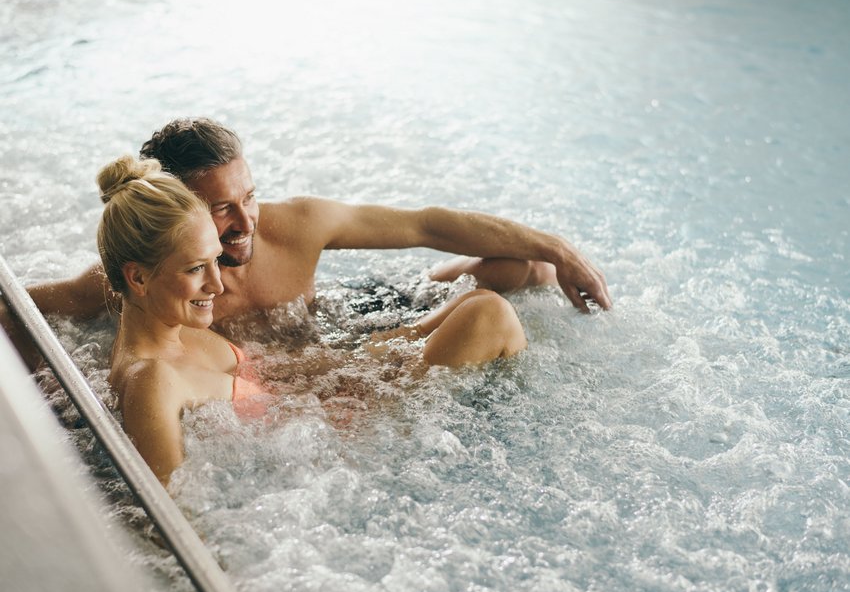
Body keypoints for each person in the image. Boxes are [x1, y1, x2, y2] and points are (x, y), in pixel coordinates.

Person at [1, 117, 610, 368]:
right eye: (220, 210)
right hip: (307, 372)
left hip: (346, 319)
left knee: (528, 267)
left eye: (250, 197)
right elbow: (18, 305)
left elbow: (427, 225)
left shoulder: (294, 225)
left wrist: (560, 249)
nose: (246, 222)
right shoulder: (135, 281)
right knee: (490, 312)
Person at [97, 155, 527, 485]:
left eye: (215, 263)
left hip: (323, 398)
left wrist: (366, 361)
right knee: (490, 315)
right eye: (196, 269)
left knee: (493, 289)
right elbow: (169, 521)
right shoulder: (152, 379)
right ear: (136, 277)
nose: (218, 284)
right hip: (353, 443)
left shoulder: (170, 330)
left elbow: (270, 382)